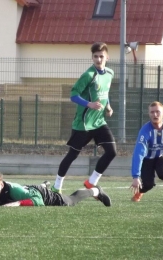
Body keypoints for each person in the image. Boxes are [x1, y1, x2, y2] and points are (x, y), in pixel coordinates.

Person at [51, 42, 116, 200]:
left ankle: (91, 182)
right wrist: (89, 104)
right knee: (72, 155)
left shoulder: (110, 73)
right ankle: (57, 186)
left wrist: (108, 106)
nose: (98, 59)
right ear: (92, 57)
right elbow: (73, 95)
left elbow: (105, 92)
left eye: (101, 56)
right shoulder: (89, 75)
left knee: (112, 152)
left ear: (107, 57)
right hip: (84, 124)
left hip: (99, 122)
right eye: (95, 56)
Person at [0, 172, 111, 207]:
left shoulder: (14, 191)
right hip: (31, 189)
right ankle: (44, 184)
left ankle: (96, 191)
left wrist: (16, 204)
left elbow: (38, 202)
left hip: (41, 196)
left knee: (71, 200)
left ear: (2, 185)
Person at [130, 101, 163, 203]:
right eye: (152, 112)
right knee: (149, 184)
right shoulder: (145, 131)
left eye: (158, 112)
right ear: (149, 114)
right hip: (147, 158)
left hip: (161, 156)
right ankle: (140, 192)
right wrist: (136, 176)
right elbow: (139, 153)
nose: (155, 114)